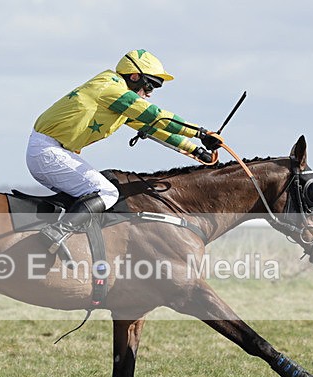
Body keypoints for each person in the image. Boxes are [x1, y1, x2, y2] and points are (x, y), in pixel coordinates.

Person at [26, 49, 222, 260]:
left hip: (52, 151)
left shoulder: (117, 98)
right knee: (107, 192)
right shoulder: (112, 89)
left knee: (96, 194)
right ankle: (56, 232)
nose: (150, 92)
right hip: (48, 152)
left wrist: (195, 150)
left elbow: (154, 127)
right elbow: (156, 115)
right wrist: (200, 132)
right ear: (134, 76)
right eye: (150, 85)